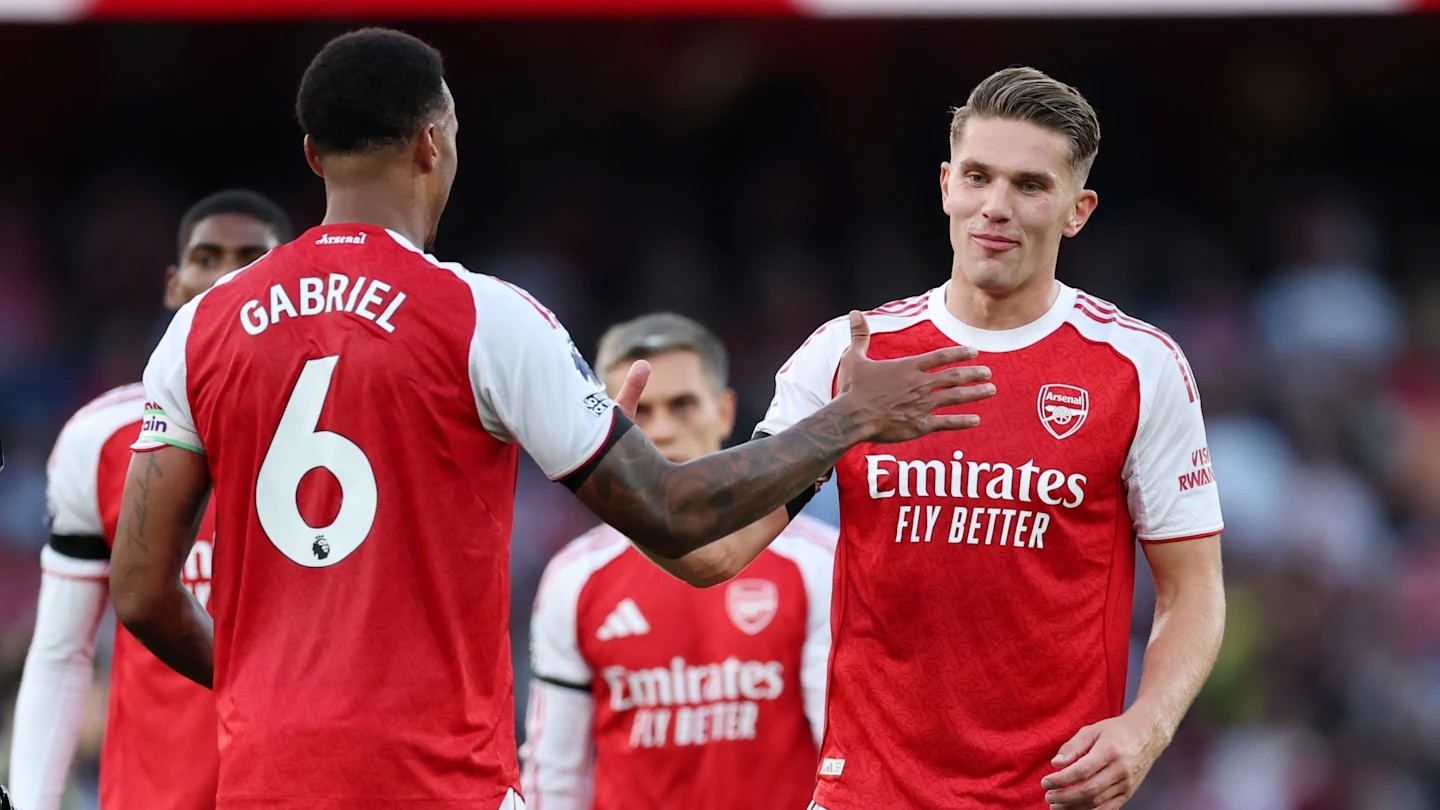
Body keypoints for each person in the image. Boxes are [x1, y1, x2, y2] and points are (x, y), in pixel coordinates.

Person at [105, 28, 994, 810]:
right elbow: (679, 515)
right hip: (439, 784)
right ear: (433, 144)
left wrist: (271, 691)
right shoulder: (483, 316)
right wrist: (847, 418)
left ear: (311, 155)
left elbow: (143, 592)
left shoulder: (201, 326)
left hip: (266, 781)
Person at [645, 66, 1227, 809]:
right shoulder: (846, 354)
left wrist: (1146, 726)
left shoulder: (1138, 367)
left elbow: (1194, 592)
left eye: (1029, 185)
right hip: (864, 793)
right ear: (946, 184)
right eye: (979, 177)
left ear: (1077, 210)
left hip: (1048, 796)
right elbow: (714, 551)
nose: (996, 208)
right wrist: (617, 467)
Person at [9, 190, 291, 810]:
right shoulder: (100, 440)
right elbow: (62, 652)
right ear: (173, 285)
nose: (224, 276)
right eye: (206, 256)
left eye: (251, 259)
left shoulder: (349, 443)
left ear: (288, 291)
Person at [521, 313, 838, 810]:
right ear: (600, 422)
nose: (661, 430)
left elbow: (840, 751)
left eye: (682, 405)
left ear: (725, 411)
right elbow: (555, 773)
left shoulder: (817, 562)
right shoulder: (573, 577)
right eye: (638, 412)